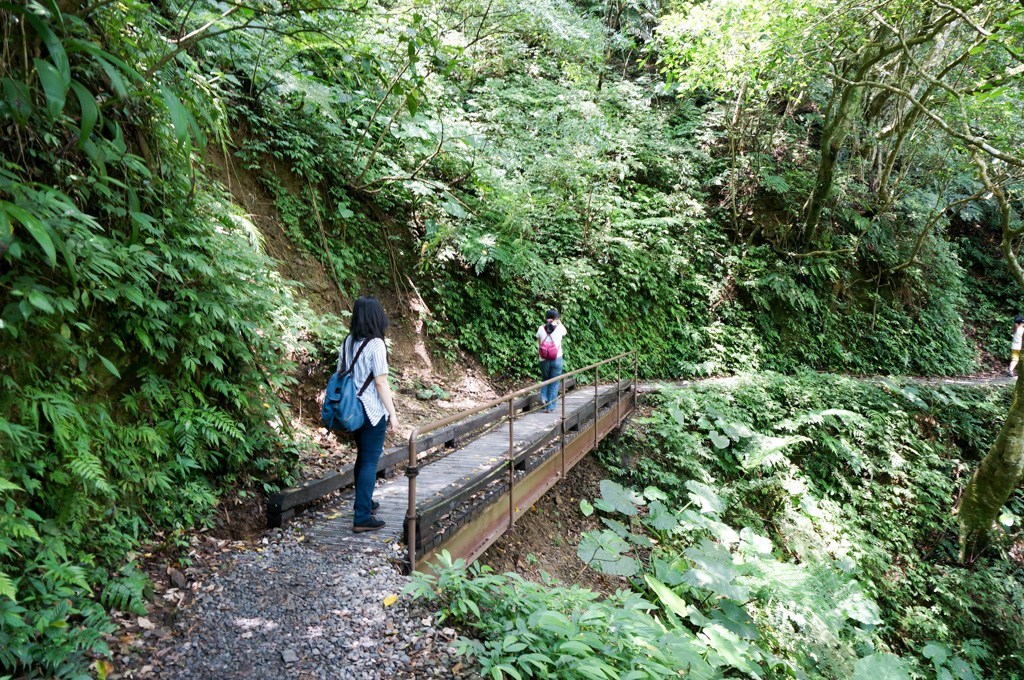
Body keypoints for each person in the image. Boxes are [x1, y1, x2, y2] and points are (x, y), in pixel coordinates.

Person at [339, 297, 400, 533]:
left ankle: (365, 502)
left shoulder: (347, 342)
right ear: (376, 317)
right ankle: (362, 516)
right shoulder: (376, 344)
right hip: (372, 411)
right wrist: (393, 414)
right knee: (369, 460)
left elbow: (341, 373)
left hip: (351, 409)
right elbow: (381, 382)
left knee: (362, 457)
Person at [536, 309, 567, 412]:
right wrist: (559, 322)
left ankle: (544, 397)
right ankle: (550, 407)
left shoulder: (541, 328)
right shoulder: (560, 328)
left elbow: (539, 343)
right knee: (554, 382)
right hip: (556, 358)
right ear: (557, 318)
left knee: (545, 379)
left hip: (543, 358)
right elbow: (565, 332)